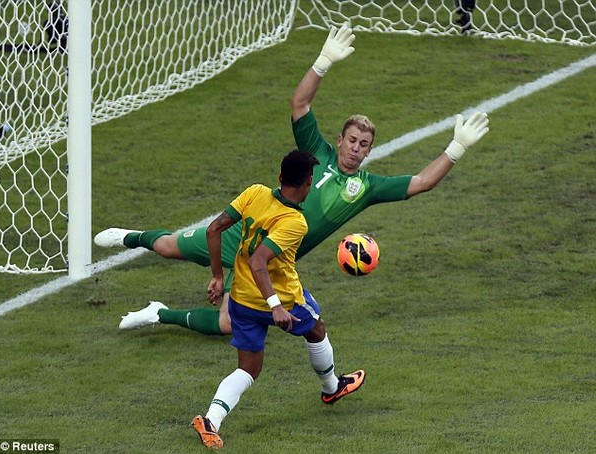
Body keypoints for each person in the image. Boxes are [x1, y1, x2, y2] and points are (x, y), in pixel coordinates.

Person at [94, 24, 490, 335]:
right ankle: (129, 236)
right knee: (165, 247)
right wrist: (323, 62)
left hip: (268, 259)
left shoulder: (366, 187)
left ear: (370, 150)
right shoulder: (315, 151)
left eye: (364, 144)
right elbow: (300, 103)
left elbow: (422, 181)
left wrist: (455, 149)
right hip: (244, 233)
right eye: (352, 139)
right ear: (340, 139)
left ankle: (159, 314)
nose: (356, 147)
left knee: (229, 324)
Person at [191, 149, 365, 448]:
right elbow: (260, 260)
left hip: (242, 300)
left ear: (280, 177)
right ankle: (332, 388)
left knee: (248, 369)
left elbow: (214, 228)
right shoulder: (295, 222)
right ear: (308, 183)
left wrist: (218, 276)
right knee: (316, 328)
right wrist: (276, 307)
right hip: (283, 300)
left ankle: (210, 420)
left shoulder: (255, 192)